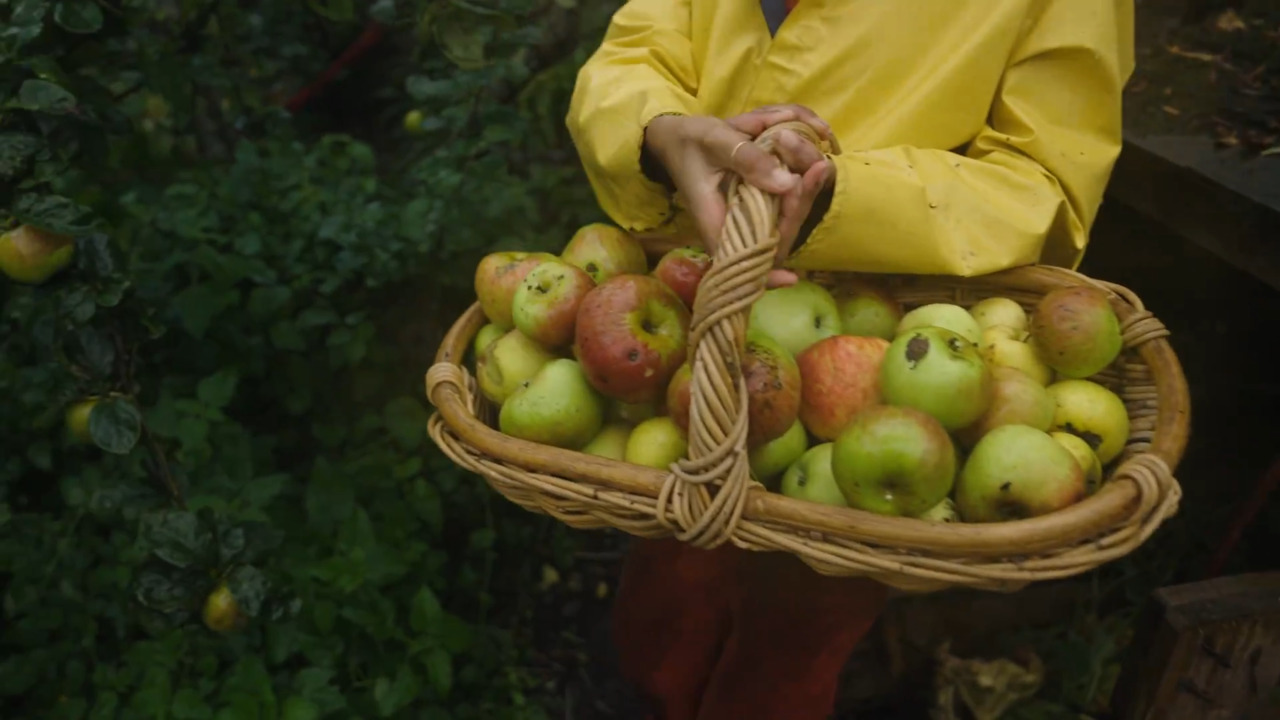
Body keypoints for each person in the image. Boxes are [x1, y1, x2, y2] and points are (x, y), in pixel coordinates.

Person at [564, 1, 1134, 718]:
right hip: (685, 326)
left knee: (803, 615)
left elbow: (1046, 180)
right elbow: (639, 46)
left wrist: (841, 197)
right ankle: (645, 690)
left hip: (884, 366)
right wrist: (654, 132)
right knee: (668, 569)